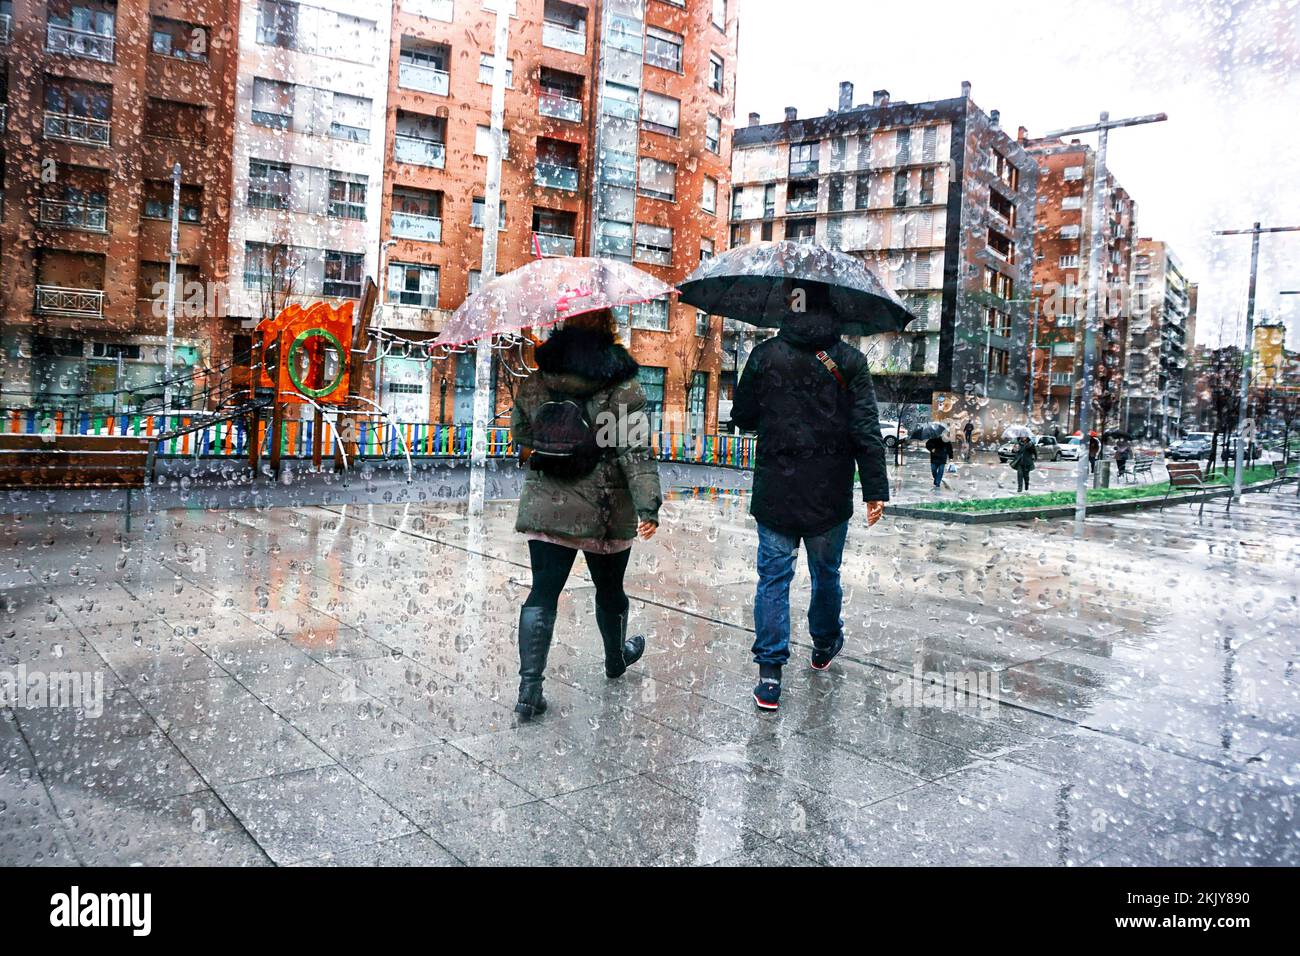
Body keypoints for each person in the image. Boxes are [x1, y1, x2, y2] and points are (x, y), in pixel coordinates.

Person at [730, 284, 889, 712]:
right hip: (830, 492)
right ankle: (823, 644)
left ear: (789, 306)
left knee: (774, 579)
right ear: (835, 309)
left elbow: (742, 417)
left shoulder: (765, 355)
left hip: (776, 490)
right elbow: (866, 429)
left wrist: (776, 411)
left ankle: (769, 676)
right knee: (826, 574)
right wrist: (875, 490)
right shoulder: (850, 361)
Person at [509, 308, 662, 720]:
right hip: (604, 506)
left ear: (565, 324)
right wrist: (649, 504)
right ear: (608, 328)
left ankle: (530, 689)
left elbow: (522, 435)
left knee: (542, 593)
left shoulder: (540, 379)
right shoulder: (621, 386)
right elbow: (635, 451)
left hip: (548, 502)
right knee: (609, 590)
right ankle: (615, 658)